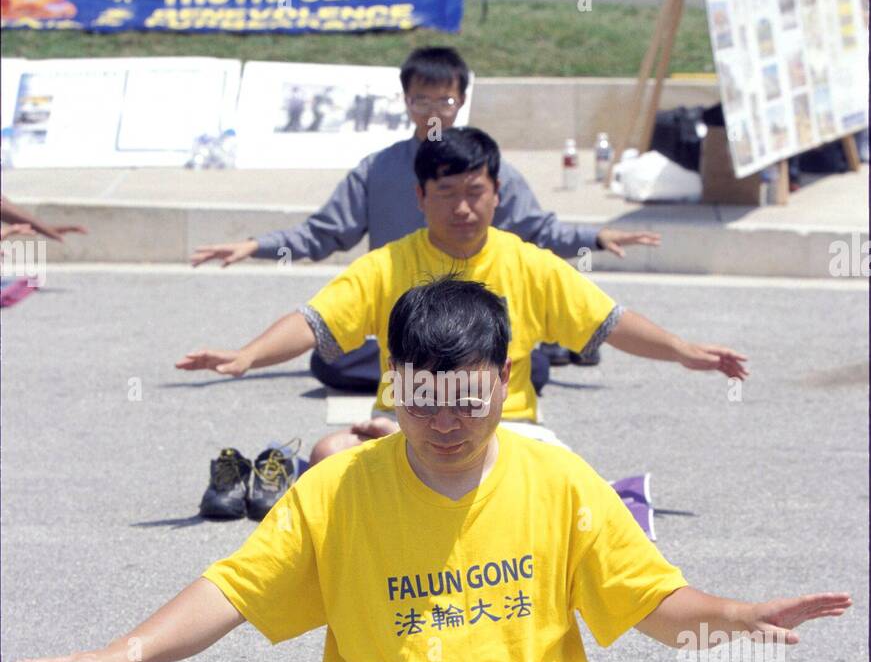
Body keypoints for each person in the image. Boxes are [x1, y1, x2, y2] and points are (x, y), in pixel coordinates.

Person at [15, 278, 851, 662]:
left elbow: (655, 605)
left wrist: (735, 616)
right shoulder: (339, 487)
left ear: (506, 374)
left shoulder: (557, 478)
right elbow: (231, 590)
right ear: (391, 382)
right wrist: (130, 649)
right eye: (423, 403)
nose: (446, 425)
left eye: (467, 402)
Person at [176, 127, 748, 508]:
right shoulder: (387, 264)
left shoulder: (531, 265)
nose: (463, 207)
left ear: (497, 193)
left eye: (475, 191)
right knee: (329, 456)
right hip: (404, 420)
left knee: (573, 486)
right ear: (420, 197)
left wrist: (684, 351)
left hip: (509, 426)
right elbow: (315, 321)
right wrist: (247, 355)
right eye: (446, 193)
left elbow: (610, 322)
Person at [188, 47, 661, 396]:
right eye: (422, 101)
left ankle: (543, 348)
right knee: (329, 363)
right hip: (405, 327)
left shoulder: (487, 170)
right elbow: (323, 233)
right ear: (405, 101)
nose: (434, 112)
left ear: (461, 102)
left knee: (521, 368)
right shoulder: (378, 169)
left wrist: (597, 236)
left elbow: (541, 230)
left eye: (445, 102)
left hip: (476, 327)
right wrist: (255, 245)